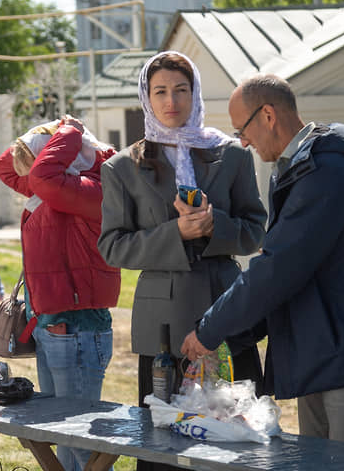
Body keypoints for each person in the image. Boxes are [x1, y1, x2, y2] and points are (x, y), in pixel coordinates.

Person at [181, 74, 344, 447]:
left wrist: (211, 329)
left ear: (268, 116)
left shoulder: (327, 171)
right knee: (315, 461)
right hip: (322, 347)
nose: (242, 141)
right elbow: (287, 268)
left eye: (242, 129)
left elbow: (279, 266)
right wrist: (231, 333)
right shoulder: (301, 167)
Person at [98, 51, 267, 471]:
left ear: (195, 93)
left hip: (227, 314)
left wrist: (214, 227)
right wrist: (175, 233)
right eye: (160, 91)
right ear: (146, 98)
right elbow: (113, 246)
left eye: (180, 89)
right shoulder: (122, 167)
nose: (171, 100)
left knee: (238, 438)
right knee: (164, 448)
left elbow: (255, 231)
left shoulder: (232, 155)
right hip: (164, 329)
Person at [0, 117, 120, 471]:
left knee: (80, 443)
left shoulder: (92, 185)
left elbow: (42, 175)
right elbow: (5, 166)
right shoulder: (51, 186)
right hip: (52, 327)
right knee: (62, 436)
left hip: (78, 328)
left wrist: (69, 132)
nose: (30, 171)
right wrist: (51, 127)